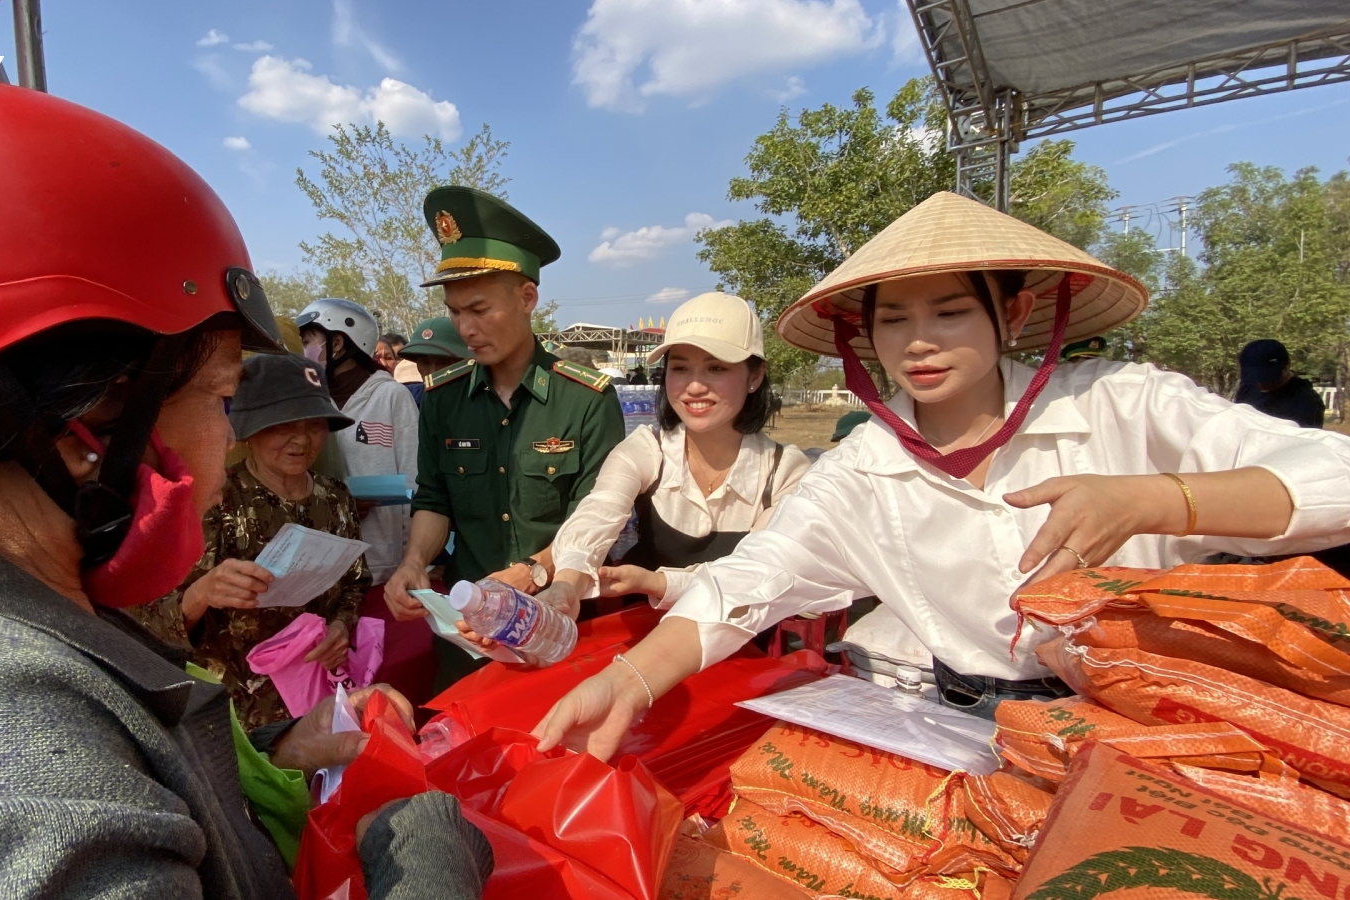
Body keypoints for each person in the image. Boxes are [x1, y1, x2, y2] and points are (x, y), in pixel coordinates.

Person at [0, 84, 490, 898]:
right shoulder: (3, 805)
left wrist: (277, 750)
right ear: (80, 433)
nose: (234, 442)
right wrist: (425, 858)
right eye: (219, 399)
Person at [534, 191, 1350, 755]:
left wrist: (1157, 499)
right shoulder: (862, 470)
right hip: (960, 727)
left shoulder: (1123, 408)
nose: (918, 342)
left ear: (1016, 314)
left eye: (951, 311)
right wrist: (633, 678)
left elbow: (1332, 476)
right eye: (893, 320)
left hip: (1154, 728)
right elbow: (753, 580)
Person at [381, 186, 625, 687]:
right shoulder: (443, 399)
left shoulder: (585, 399)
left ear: (527, 297)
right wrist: (413, 563)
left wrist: (532, 574)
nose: (465, 328)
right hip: (467, 634)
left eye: (479, 309)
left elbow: (600, 518)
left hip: (558, 626)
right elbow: (434, 498)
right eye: (454, 312)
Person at [126, 353, 370, 729]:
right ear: (250, 430)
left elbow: (355, 582)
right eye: (284, 425)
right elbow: (146, 618)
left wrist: (340, 628)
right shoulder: (215, 499)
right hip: (233, 712)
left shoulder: (335, 498)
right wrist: (203, 593)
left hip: (317, 695)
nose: (301, 440)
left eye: (315, 425)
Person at [537, 292, 809, 617]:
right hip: (641, 638)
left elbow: (758, 575)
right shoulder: (647, 449)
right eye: (680, 368)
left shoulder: (785, 472)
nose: (694, 386)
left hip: (739, 652)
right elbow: (597, 514)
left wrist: (658, 584)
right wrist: (568, 583)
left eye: (716, 368)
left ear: (755, 376)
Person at [296, 299, 428, 700]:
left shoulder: (389, 397)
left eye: (311, 340)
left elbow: (415, 477)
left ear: (339, 344)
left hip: (383, 563)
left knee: (384, 673)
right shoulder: (310, 398)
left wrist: (368, 499)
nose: (307, 350)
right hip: (323, 566)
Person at [1236, 339, 1325, 428]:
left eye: (1267, 377)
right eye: (1254, 377)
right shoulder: (1247, 388)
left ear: (1287, 366)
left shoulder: (1307, 403)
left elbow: (1304, 440)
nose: (1260, 383)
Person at [396, 315, 470, 407]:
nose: (432, 372)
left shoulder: (484, 403)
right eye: (424, 363)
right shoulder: (405, 399)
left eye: (443, 362)